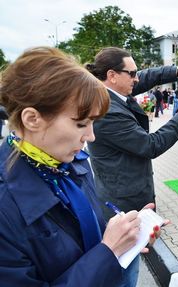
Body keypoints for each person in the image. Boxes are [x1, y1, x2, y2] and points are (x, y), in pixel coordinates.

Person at [0, 47, 164, 286]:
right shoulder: (5, 205)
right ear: (32, 119)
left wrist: (125, 236)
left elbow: (81, 235)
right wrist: (108, 251)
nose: (91, 137)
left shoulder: (71, 162)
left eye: (92, 123)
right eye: (80, 124)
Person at [85, 47, 178, 287]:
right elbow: (150, 145)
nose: (137, 79)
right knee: (124, 269)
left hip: (124, 195)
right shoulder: (107, 111)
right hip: (121, 203)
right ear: (112, 75)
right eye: (132, 73)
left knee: (131, 261)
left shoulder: (108, 91)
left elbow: (147, 76)